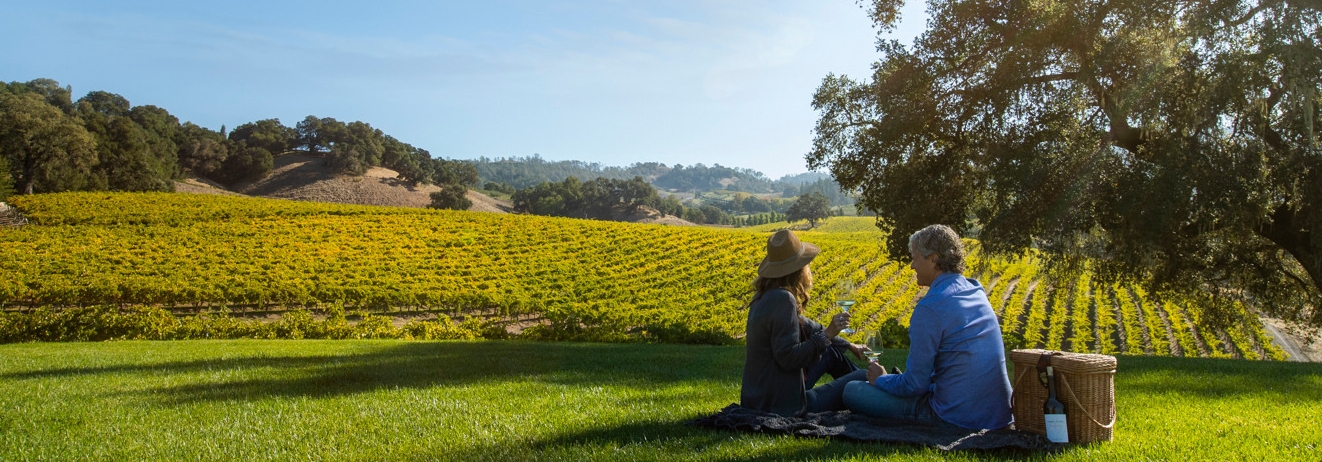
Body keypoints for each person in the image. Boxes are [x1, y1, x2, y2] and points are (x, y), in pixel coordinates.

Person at [842, 224, 1013, 430]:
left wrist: (881, 380)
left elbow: (915, 385)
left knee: (852, 391)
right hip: (999, 414)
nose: (912, 266)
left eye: (915, 258)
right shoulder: (975, 290)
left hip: (956, 417)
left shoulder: (930, 308)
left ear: (933, 259)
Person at [741, 229, 869, 417]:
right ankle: (881, 387)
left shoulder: (763, 297)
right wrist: (827, 335)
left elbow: (811, 327)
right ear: (798, 269)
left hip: (758, 398)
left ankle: (881, 384)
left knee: (831, 352)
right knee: (862, 376)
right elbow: (788, 357)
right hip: (780, 405)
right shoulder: (783, 299)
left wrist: (849, 344)